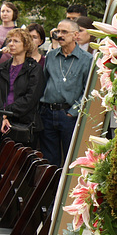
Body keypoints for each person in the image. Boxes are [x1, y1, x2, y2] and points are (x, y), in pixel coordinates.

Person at [39, 19, 92, 167]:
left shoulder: (87, 59)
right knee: (49, 160)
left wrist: (72, 112)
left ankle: (67, 190)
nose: (59, 35)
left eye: (64, 32)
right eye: (58, 31)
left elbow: (88, 90)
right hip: (48, 113)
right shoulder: (51, 56)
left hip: (69, 114)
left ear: (75, 35)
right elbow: (44, 82)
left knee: (71, 158)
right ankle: (51, 190)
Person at [0, 28, 45, 147]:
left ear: (26, 45)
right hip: (2, 120)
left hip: (24, 123)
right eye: (10, 40)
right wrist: (2, 115)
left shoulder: (34, 68)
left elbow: (31, 97)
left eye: (16, 41)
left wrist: (7, 113)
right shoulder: (3, 67)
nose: (11, 44)